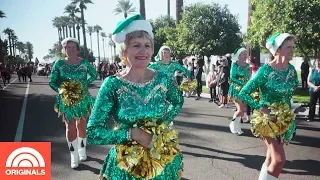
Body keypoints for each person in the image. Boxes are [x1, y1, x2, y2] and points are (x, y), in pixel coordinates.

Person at [86, 14, 184, 180]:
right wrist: (132, 134)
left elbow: (177, 101)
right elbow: (93, 132)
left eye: (147, 45)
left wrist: (162, 124)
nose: (143, 51)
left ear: (153, 50)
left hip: (161, 162)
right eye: (136, 45)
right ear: (124, 51)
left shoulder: (163, 79)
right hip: (126, 168)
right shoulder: (112, 84)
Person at [239, 33, 298, 180]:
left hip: (284, 120)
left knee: (271, 158)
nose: (292, 50)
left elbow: (288, 95)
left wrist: (289, 111)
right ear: (278, 49)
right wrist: (262, 108)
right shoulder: (265, 71)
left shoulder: (292, 71)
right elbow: (244, 92)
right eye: (288, 47)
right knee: (279, 160)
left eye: (293, 47)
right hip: (268, 120)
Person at [49, 37, 97, 169]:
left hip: (82, 99)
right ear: (64, 50)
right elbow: (52, 81)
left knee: (81, 125)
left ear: (77, 49)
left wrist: (84, 84)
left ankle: (82, 150)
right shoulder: (59, 64)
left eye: (72, 47)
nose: (70, 50)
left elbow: (94, 74)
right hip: (67, 100)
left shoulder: (84, 63)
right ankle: (73, 155)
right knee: (70, 126)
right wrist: (61, 90)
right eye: (67, 47)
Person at [228, 48, 251, 135]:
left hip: (244, 90)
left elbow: (249, 77)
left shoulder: (248, 65)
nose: (245, 55)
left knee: (242, 111)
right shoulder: (235, 64)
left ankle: (237, 126)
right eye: (243, 54)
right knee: (240, 110)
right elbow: (232, 78)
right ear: (239, 55)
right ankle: (232, 124)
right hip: (236, 89)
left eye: (246, 53)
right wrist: (242, 83)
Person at [307, 56, 320, 122]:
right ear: (315, 63)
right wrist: (315, 87)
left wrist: (318, 87)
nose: (318, 63)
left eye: (319, 62)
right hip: (312, 90)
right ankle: (311, 117)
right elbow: (308, 81)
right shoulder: (312, 70)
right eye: (317, 62)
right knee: (312, 104)